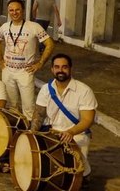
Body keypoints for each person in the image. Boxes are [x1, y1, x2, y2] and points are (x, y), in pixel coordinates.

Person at [31, 54, 97, 188]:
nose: (60, 70)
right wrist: (31, 133)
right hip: (51, 132)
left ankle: (83, 175)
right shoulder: (45, 89)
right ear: (52, 70)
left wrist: (71, 132)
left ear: (70, 69)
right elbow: (39, 114)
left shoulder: (84, 90)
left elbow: (87, 120)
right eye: (57, 67)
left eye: (64, 67)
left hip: (77, 133)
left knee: (77, 164)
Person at [0, 0, 55, 120]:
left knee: (28, 107)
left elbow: (50, 44)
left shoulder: (33, 26)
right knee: (12, 106)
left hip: (25, 72)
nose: (14, 13)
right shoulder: (5, 27)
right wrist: (0, 60)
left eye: (17, 10)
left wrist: (41, 63)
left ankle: (29, 134)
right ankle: (16, 131)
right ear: (8, 11)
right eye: (11, 10)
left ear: (23, 11)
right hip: (8, 71)